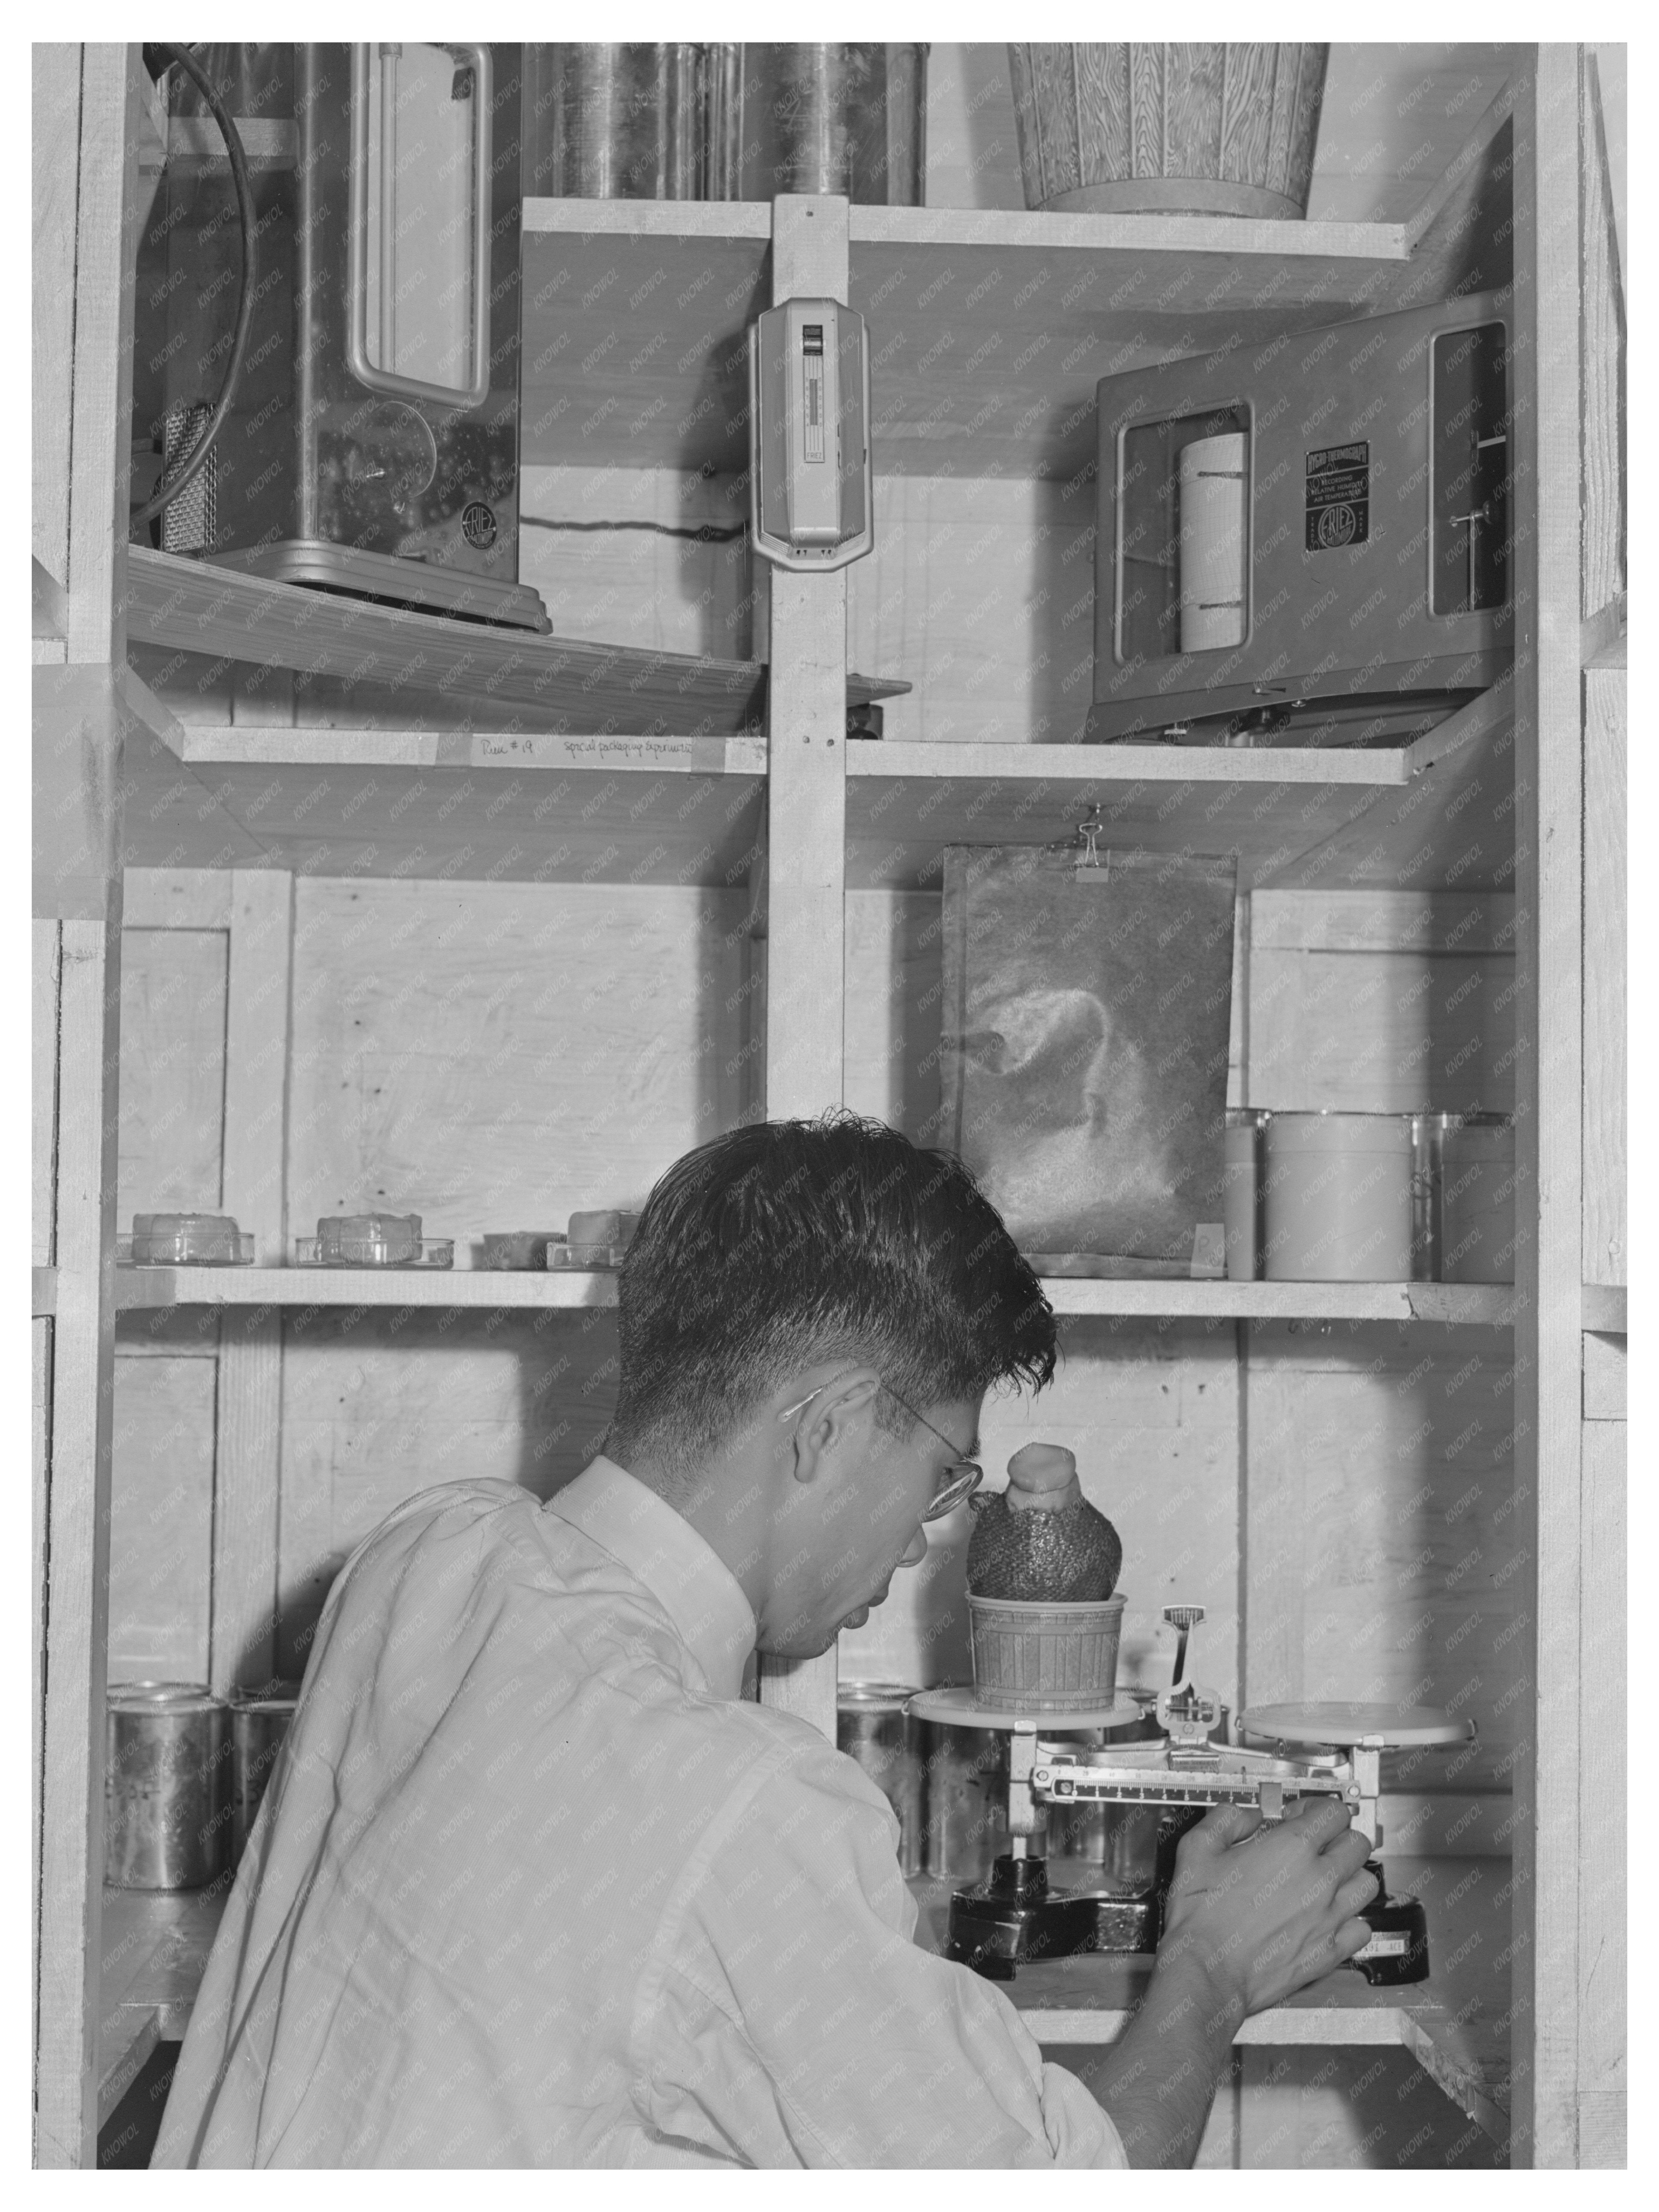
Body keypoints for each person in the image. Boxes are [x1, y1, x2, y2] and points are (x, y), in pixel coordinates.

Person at [154, 1113, 1376, 2169]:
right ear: (830, 1423)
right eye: (942, 1472)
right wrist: (1212, 1971)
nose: (920, 1536)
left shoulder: (432, 1552)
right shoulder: (737, 1805)